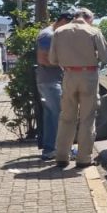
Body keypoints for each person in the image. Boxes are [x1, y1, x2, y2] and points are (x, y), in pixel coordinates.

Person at [49, 7, 107, 168]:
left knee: (66, 117)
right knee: (87, 118)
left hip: (68, 75)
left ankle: (62, 156)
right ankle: (84, 158)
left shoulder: (59, 32)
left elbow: (52, 59)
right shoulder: (93, 32)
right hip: (89, 76)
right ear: (88, 18)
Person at [35, 10, 74, 160]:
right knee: (59, 115)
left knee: (52, 115)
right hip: (50, 81)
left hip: (50, 80)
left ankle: (50, 148)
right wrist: (64, 63)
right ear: (63, 20)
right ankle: (57, 149)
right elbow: (42, 59)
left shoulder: (53, 34)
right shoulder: (48, 35)